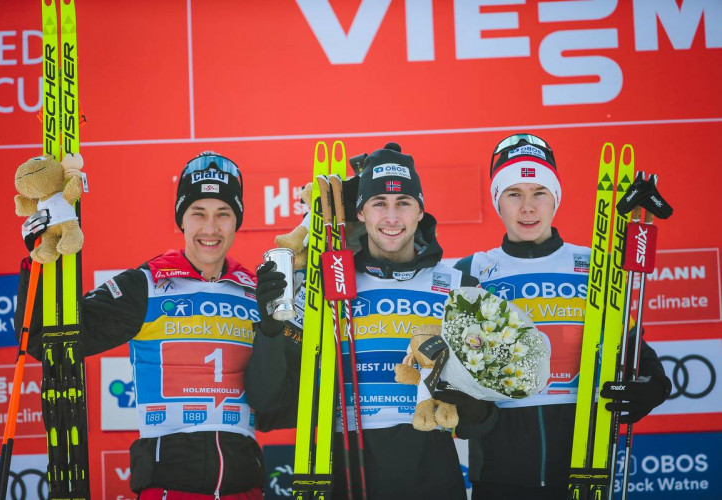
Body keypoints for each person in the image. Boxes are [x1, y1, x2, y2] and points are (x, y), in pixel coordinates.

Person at [17, 152, 286, 499]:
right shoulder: (146, 285)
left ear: (237, 221)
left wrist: (276, 325)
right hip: (169, 486)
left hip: (245, 487)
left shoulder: (255, 293)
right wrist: (40, 259)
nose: (210, 228)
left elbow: (272, 404)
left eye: (223, 214)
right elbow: (45, 341)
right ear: (182, 220)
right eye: (198, 213)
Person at [245, 143, 484, 500]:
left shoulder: (457, 288)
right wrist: (271, 327)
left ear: (420, 211)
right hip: (344, 474)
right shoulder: (324, 288)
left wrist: (452, 381)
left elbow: (480, 419)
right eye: (379, 204)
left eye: (404, 203)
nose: (391, 217)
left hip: (433, 478)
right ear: (361, 212)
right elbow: (268, 405)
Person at [454, 134, 671, 500]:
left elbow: (636, 352)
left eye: (539, 192)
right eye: (513, 193)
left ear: (555, 198)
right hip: (499, 475)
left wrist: (653, 387)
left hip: (582, 465)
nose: (527, 207)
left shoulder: (594, 266)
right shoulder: (471, 271)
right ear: (497, 202)